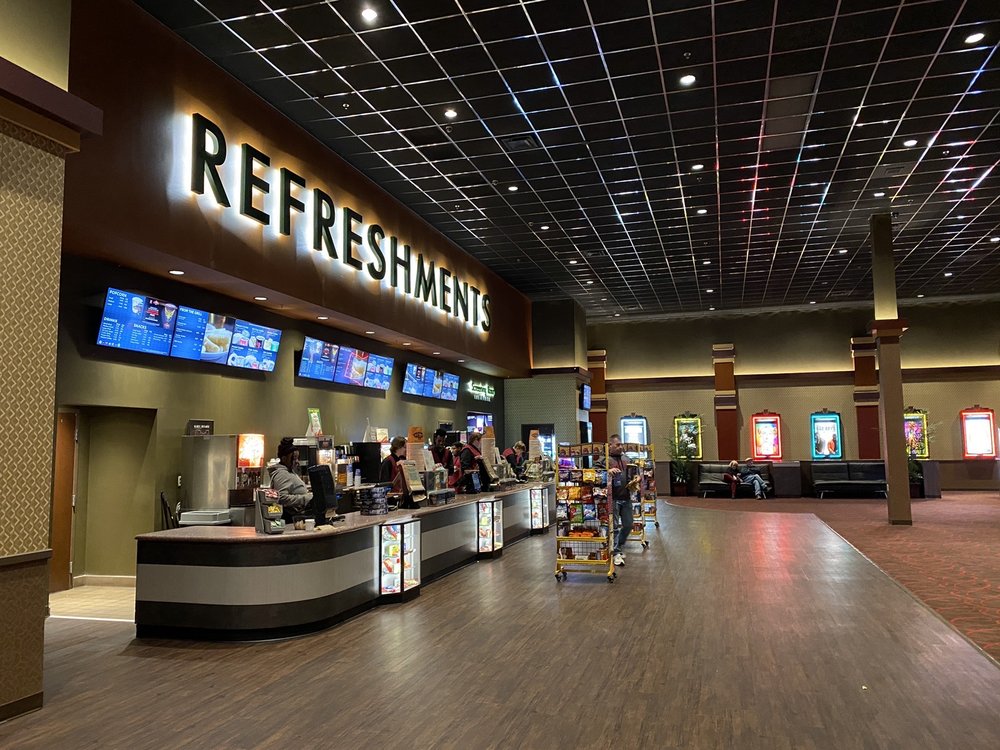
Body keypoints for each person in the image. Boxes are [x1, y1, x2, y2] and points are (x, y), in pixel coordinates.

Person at [603, 433, 633, 567]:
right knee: (614, 527)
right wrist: (607, 471)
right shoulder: (604, 460)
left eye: (621, 444)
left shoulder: (627, 459)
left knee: (628, 524)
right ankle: (615, 552)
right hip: (612, 498)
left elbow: (635, 473)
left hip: (626, 497)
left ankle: (618, 546)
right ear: (610, 446)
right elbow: (594, 473)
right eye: (617, 445)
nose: (620, 447)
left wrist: (637, 478)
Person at [269, 437, 312, 521]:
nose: (297, 461)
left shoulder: (289, 471)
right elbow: (281, 498)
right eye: (294, 458)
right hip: (289, 519)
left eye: (297, 458)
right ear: (284, 458)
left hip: (297, 515)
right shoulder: (281, 474)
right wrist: (305, 498)